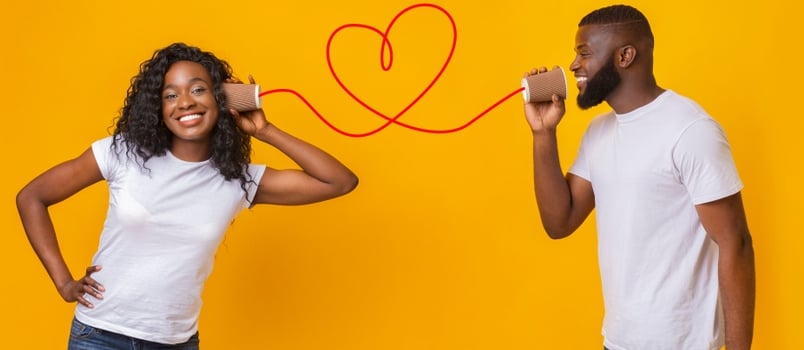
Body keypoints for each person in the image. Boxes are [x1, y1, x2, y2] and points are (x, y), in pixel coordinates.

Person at [16, 42, 358, 349]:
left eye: (198, 89)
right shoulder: (123, 154)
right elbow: (32, 196)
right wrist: (63, 282)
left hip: (175, 342)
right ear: (158, 107)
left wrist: (266, 131)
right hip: (100, 335)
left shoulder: (238, 180)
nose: (185, 103)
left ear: (220, 99)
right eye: (171, 95)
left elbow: (338, 182)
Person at [523, 5, 754, 350]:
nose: (573, 65)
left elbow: (736, 244)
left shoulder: (690, 130)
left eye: (583, 53)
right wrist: (543, 134)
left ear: (625, 55)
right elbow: (560, 222)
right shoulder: (599, 132)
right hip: (616, 342)